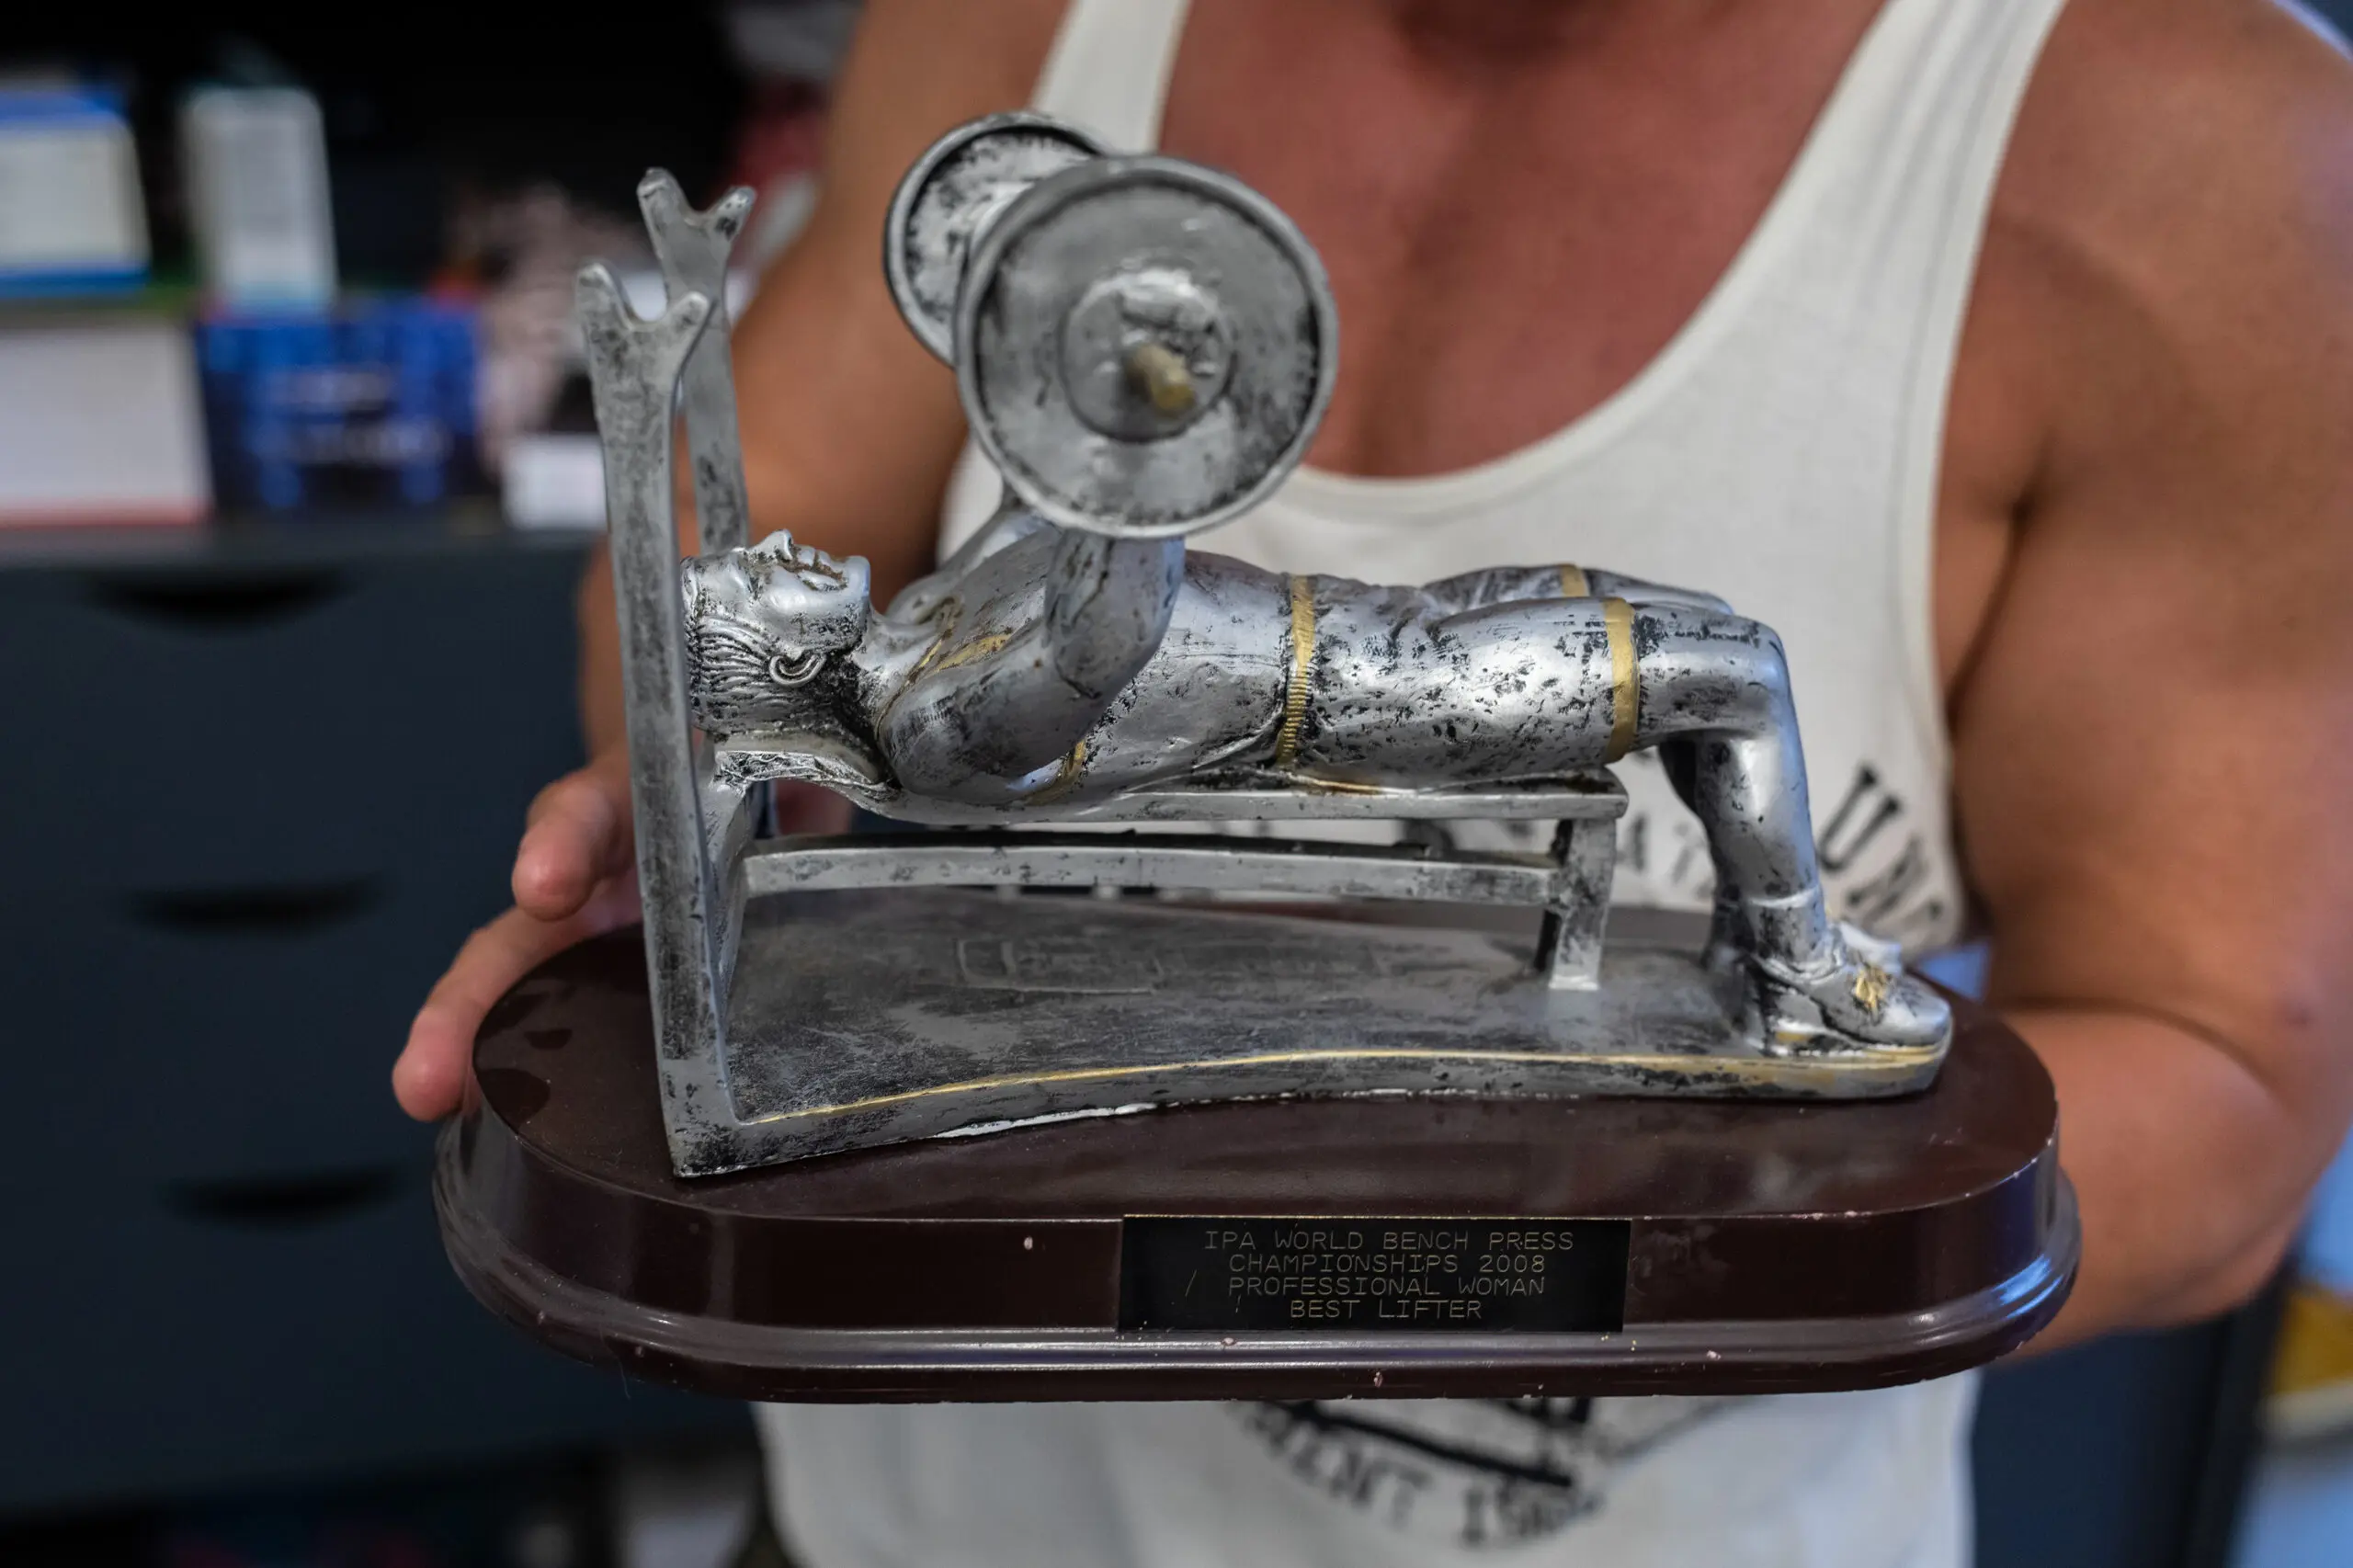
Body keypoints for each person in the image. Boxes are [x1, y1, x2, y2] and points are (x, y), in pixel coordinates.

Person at [396, 1, 2353, 1562]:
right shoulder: (953, 624)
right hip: (934, 1490)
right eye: (779, 604)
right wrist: (690, 820)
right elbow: (727, 570)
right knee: (1703, 666)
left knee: (1685, 663)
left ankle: (1777, 983)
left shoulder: (2198, 155)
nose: (794, 570)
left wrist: (1552, 1208)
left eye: (779, 595)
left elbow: (2233, 1097)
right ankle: (1787, 955)